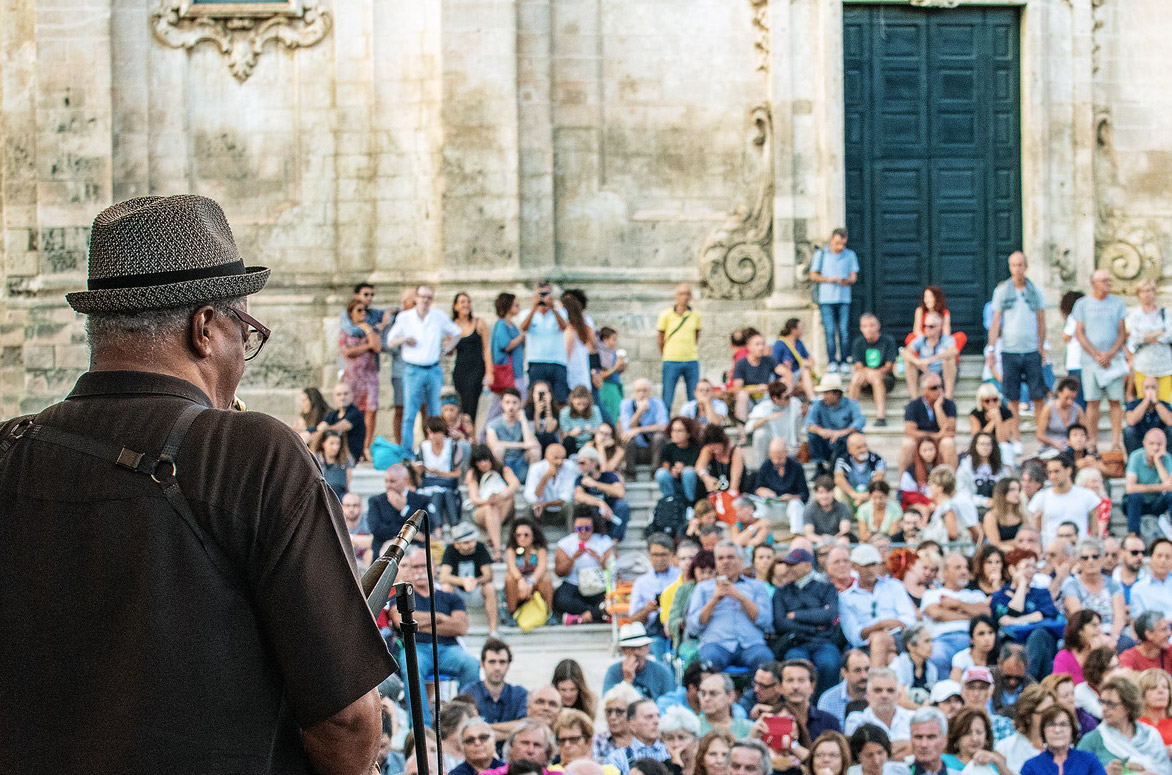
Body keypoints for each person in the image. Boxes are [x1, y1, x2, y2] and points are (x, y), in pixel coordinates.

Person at [1, 195, 394, 773]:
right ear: (206, 327)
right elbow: (345, 719)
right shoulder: (255, 454)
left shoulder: (10, 451)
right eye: (247, 332)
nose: (244, 356)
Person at [389, 547, 480, 727]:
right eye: (415, 567)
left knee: (471, 664)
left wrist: (419, 622)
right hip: (417, 648)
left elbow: (461, 627)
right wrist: (439, 618)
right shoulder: (402, 597)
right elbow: (401, 622)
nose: (420, 571)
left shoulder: (450, 598)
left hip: (448, 650)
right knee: (411, 664)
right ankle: (422, 727)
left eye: (425, 566)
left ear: (434, 567)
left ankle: (466, 722)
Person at [386, 284, 463, 454]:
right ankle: (407, 452)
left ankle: (435, 450)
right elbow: (390, 341)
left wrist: (445, 350)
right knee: (409, 413)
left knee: (435, 411)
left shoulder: (438, 316)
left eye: (428, 297)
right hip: (413, 369)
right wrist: (405, 339)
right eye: (422, 296)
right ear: (416, 298)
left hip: (433, 368)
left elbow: (457, 332)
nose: (425, 300)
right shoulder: (405, 317)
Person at [686, 540, 775, 673]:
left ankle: (752, 694)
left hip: (751, 645)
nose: (725, 562)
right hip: (716, 644)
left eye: (730, 557)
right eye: (720, 558)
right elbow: (693, 626)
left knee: (766, 663)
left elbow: (765, 621)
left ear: (740, 560)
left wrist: (739, 596)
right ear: (716, 562)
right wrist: (714, 600)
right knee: (708, 664)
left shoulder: (757, 586)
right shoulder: (703, 588)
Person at [987, 251, 1048, 430]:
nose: (1017, 269)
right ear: (1010, 267)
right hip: (1009, 350)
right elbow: (996, 321)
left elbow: (1041, 320)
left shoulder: (1036, 292)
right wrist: (991, 349)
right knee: (1012, 397)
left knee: (1038, 396)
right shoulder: (1001, 292)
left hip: (1031, 350)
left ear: (1026, 267)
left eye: (1020, 265)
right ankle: (1015, 436)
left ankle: (1040, 433)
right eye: (1014, 265)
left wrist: (1041, 347)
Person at [771, 550, 842, 697]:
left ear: (808, 565)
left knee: (829, 664)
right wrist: (815, 626)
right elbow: (781, 623)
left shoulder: (827, 588)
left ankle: (822, 709)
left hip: (824, 642)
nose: (789, 568)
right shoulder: (781, 592)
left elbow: (828, 616)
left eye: (794, 564)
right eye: (788, 564)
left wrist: (796, 615)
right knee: (795, 667)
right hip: (795, 643)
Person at [1073, 269, 1129, 451]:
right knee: (1093, 402)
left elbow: (1122, 333)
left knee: (1115, 400)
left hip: (1113, 360)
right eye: (1104, 280)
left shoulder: (1118, 303)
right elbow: (1079, 333)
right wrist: (1096, 354)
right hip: (1091, 361)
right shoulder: (1082, 304)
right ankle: (1093, 441)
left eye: (1109, 280)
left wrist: (1109, 354)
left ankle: (1115, 440)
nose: (1108, 283)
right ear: (1093, 283)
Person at [839, 544, 917, 665]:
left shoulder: (895, 586)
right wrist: (882, 625)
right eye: (866, 565)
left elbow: (909, 620)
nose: (871, 569)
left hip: (898, 637)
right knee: (890, 657)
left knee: (879, 639)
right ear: (855, 566)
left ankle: (876, 683)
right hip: (866, 646)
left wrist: (878, 631)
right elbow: (854, 636)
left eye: (874, 564)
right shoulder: (846, 598)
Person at [1077, 676, 1172, 775]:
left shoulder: (1150, 735)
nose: (1104, 708)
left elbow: (1166, 770)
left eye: (1111, 704)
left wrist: (1145, 770)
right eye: (1102, 702)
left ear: (1128, 706)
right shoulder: (1092, 740)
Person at [991, 549, 1061, 681]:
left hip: (1042, 643)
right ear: (1012, 570)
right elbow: (1008, 615)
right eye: (1026, 566)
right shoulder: (1000, 596)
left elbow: (1042, 615)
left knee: (1039, 635)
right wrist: (1021, 585)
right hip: (1013, 643)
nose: (1031, 571)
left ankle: (1027, 680)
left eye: (1034, 566)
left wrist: (1014, 620)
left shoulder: (1041, 593)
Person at [921, 553, 991, 678]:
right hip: (942, 640)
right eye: (958, 567)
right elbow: (937, 614)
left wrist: (957, 604)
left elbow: (986, 614)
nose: (964, 571)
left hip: (972, 640)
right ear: (945, 572)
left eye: (965, 567)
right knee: (936, 656)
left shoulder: (975, 594)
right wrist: (971, 614)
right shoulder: (932, 594)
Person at [1061, 540, 1128, 651]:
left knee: (1126, 644)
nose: (1090, 561)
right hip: (1085, 635)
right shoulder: (1071, 587)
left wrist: (1113, 638)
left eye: (1095, 556)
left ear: (1102, 558)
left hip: (1112, 634)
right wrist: (1101, 638)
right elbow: (1078, 619)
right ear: (1079, 561)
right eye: (1085, 558)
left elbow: (1120, 618)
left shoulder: (1114, 585)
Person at [553, 506, 616, 623]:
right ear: (574, 528)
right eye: (579, 528)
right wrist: (572, 559)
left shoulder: (604, 541)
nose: (583, 532)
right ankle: (594, 614)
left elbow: (613, 567)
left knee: (612, 598)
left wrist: (599, 559)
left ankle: (582, 618)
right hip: (574, 584)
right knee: (561, 598)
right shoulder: (565, 543)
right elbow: (560, 572)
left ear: (593, 528)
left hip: (598, 584)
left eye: (587, 528)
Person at [339, 297, 384, 459]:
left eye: (364, 310)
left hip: (370, 376)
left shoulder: (370, 329)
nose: (362, 313)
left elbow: (377, 346)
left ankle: (366, 446)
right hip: (353, 377)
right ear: (351, 313)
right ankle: (352, 447)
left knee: (371, 411)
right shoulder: (346, 331)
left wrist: (368, 330)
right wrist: (366, 346)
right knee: (353, 411)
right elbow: (347, 351)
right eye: (359, 310)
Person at [808, 227, 859, 372]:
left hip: (844, 298)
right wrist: (829, 279)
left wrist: (846, 280)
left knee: (844, 330)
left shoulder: (850, 255)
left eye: (843, 244)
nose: (840, 247)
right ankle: (832, 361)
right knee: (830, 331)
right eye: (837, 243)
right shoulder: (821, 254)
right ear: (831, 240)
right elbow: (813, 276)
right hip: (826, 299)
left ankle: (844, 360)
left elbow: (853, 277)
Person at [627, 535, 683, 659]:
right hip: (655, 632)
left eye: (663, 555)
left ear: (672, 555)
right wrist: (647, 610)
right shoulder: (641, 582)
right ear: (649, 555)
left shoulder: (681, 577)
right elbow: (632, 619)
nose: (659, 559)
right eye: (655, 555)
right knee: (657, 645)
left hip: (678, 627)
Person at [461, 639, 529, 738]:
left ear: (508, 665)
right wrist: (511, 732)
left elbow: (524, 726)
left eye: (502, 662)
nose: (497, 667)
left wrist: (484, 727)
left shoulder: (520, 693)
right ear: (482, 664)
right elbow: (465, 730)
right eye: (492, 662)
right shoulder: (469, 692)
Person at [440, 522, 499, 635]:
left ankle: (493, 630)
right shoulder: (450, 550)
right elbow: (443, 576)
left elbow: (488, 575)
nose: (472, 545)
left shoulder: (480, 547)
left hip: (477, 589)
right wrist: (463, 581)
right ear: (457, 544)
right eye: (467, 542)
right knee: (446, 587)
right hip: (458, 591)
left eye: (473, 541)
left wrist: (475, 581)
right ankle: (449, 629)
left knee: (490, 587)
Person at [1028, 456, 1101, 545]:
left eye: (1056, 471)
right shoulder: (1041, 497)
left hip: (1079, 550)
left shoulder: (1087, 495)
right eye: (1050, 472)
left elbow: (1095, 530)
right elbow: (1036, 529)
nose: (1053, 476)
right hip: (1051, 551)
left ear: (1068, 470)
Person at [465, 443, 521, 561]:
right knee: (490, 508)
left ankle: (493, 537)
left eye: (485, 459)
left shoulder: (503, 469)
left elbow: (515, 484)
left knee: (508, 497)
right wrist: (488, 501)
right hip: (482, 511)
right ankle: (497, 550)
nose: (483, 463)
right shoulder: (473, 474)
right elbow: (474, 498)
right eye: (479, 461)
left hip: (502, 509)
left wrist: (500, 496)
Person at [367, 463, 434, 556]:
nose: (388, 485)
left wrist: (404, 509)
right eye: (386, 481)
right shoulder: (376, 501)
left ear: (405, 481)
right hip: (383, 554)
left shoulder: (421, 500)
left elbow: (428, 526)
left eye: (392, 481)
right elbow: (376, 529)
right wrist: (410, 534)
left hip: (414, 554)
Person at [520, 282, 570, 405]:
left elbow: (564, 327)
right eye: (540, 294)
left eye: (546, 294)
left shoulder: (560, 312)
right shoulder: (527, 313)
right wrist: (534, 308)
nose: (543, 297)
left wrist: (552, 308)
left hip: (557, 361)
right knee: (537, 399)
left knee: (560, 398)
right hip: (536, 361)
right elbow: (523, 328)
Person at [844, 669, 913, 758]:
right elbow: (858, 757)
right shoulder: (856, 720)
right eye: (878, 690)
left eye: (890, 690)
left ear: (899, 696)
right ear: (867, 695)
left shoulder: (912, 718)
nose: (884, 695)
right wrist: (907, 746)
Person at [1023, 705, 1108, 775]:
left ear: (1072, 731)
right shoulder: (1031, 766)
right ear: (1043, 731)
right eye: (1051, 724)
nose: (1057, 730)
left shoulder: (1089, 761)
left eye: (1063, 724)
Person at [900, 373, 959, 472]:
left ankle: (951, 483)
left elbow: (950, 431)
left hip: (940, 441)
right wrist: (936, 435)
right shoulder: (913, 405)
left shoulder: (949, 404)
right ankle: (903, 485)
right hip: (921, 440)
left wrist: (938, 408)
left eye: (941, 386)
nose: (939, 390)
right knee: (907, 443)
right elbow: (910, 432)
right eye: (934, 388)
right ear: (924, 390)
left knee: (948, 443)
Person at [847, 313, 898, 427]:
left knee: (874, 376)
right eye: (865, 326)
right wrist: (868, 373)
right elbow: (858, 365)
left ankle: (881, 415)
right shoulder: (858, 342)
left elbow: (889, 366)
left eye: (871, 325)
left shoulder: (888, 340)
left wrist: (873, 373)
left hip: (885, 379)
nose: (868, 329)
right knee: (856, 376)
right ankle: (851, 414)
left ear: (878, 326)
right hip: (864, 379)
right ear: (861, 328)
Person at [805, 374, 866, 468]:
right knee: (812, 434)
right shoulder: (818, 405)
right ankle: (819, 465)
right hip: (827, 439)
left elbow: (859, 422)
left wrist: (840, 433)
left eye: (826, 393)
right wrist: (821, 431)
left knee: (855, 436)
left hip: (845, 440)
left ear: (837, 393)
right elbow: (809, 423)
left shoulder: (851, 404)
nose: (824, 396)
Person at [659, 283, 703, 410]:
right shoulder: (666, 314)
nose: (684, 297)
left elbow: (696, 335)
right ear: (676, 296)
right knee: (667, 397)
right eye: (682, 294)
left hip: (691, 359)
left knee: (694, 397)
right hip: (671, 360)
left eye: (687, 294)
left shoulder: (696, 315)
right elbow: (661, 337)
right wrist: (666, 352)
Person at [450, 292, 493, 423]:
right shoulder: (452, 325)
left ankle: (472, 432)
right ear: (455, 306)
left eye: (468, 302)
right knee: (461, 403)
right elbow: (450, 351)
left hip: (476, 369)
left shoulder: (479, 323)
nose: (466, 305)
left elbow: (487, 349)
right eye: (462, 302)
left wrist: (489, 372)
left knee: (472, 401)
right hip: (460, 370)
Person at [669, 550, 718, 663]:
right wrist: (680, 623)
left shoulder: (721, 591)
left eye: (710, 572)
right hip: (691, 640)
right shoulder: (684, 590)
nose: (706, 576)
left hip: (716, 639)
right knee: (694, 656)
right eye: (702, 571)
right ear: (694, 570)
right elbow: (673, 619)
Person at [994, 684, 1055, 772]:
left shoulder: (1063, 747)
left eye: (1054, 712)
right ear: (1027, 716)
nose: (1051, 717)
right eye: (1045, 713)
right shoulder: (1005, 748)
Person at [1129, 278, 1172, 402]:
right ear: (1138, 294)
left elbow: (1169, 335)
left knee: (1165, 402)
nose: (1147, 294)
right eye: (1143, 291)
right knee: (1145, 402)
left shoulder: (1166, 313)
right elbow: (1135, 338)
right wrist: (1158, 333)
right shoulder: (1135, 315)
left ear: (1155, 292)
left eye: (1150, 290)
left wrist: (1146, 336)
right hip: (1143, 365)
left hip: (1165, 365)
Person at [486, 387, 541, 483]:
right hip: (503, 465)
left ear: (520, 403)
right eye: (507, 402)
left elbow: (532, 444)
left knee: (535, 451)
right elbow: (493, 444)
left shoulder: (525, 423)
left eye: (514, 402)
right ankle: (498, 483)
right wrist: (522, 445)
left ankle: (532, 485)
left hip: (521, 464)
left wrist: (523, 421)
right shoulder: (493, 424)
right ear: (501, 404)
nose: (511, 406)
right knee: (498, 450)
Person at [756, 438, 810, 534]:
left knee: (796, 505)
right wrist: (763, 491)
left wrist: (791, 497)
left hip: (789, 506)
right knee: (759, 506)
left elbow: (805, 494)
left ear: (786, 453)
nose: (776, 461)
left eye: (779, 457)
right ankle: (760, 535)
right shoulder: (766, 466)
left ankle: (797, 534)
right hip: (772, 505)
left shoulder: (796, 467)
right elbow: (757, 488)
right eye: (773, 457)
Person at [575, 445, 630, 540]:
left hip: (611, 511)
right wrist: (600, 503)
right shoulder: (580, 479)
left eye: (583, 463)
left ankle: (614, 542)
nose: (580, 466)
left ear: (594, 462)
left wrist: (595, 484)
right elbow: (578, 495)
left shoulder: (609, 476)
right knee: (586, 508)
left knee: (622, 506)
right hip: (594, 512)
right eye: (579, 463)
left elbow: (620, 492)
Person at [1125, 428, 1172, 536]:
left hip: (1156, 502)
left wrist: (1157, 461)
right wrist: (1161, 487)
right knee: (1135, 496)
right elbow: (1130, 488)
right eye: (1152, 444)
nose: (1155, 447)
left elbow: (1170, 486)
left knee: (1171, 496)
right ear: (1144, 443)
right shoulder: (1135, 457)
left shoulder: (1167, 459)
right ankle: (1133, 535)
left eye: (1159, 444)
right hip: (1137, 503)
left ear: (1164, 445)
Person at [503, 517, 554, 616]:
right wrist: (520, 580)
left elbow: (542, 567)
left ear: (533, 535)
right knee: (509, 579)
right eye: (518, 535)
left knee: (547, 579)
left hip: (534, 584)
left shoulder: (539, 548)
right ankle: (511, 612)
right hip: (519, 586)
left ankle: (549, 612)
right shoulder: (511, 549)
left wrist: (531, 581)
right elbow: (511, 567)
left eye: (526, 535)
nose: (522, 538)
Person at [903, 312, 959, 401]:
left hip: (942, 373)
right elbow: (905, 352)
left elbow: (953, 351)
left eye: (931, 326)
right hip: (925, 373)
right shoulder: (921, 339)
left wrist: (932, 359)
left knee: (949, 360)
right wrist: (917, 361)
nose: (927, 329)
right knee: (909, 363)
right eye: (925, 326)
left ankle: (948, 398)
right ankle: (914, 400)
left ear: (939, 327)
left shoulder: (946, 339)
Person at [621, 378, 670, 481]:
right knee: (627, 438)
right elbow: (627, 430)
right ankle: (630, 474)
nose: (641, 394)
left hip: (653, 450)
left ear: (650, 392)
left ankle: (655, 474)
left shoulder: (657, 403)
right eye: (638, 391)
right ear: (634, 392)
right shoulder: (626, 404)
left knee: (659, 437)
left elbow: (663, 426)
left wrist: (639, 430)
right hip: (634, 450)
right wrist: (640, 411)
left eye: (645, 390)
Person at [733, 332, 788, 421]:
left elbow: (784, 372)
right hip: (750, 400)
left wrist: (785, 378)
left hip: (766, 398)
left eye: (763, 344)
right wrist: (756, 388)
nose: (761, 348)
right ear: (749, 346)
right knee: (742, 396)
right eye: (757, 344)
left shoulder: (768, 360)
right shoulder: (741, 364)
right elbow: (737, 389)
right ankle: (743, 433)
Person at [747, 380, 804, 465]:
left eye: (789, 396)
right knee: (760, 434)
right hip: (771, 445)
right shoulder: (763, 407)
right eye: (786, 397)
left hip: (791, 445)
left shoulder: (795, 403)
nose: (789, 399)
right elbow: (748, 428)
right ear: (775, 399)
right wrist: (767, 418)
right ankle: (760, 467)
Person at [609, 700, 673, 775]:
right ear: (632, 725)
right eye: (649, 717)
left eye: (658, 716)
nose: (656, 721)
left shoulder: (672, 753)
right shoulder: (617, 759)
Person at [943, 707, 1009, 774]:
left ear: (987, 736)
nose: (974, 738)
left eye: (979, 732)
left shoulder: (994, 765)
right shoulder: (943, 762)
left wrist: (998, 762)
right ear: (957, 736)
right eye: (968, 733)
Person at [834, 433, 887, 513]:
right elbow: (838, 478)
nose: (863, 450)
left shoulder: (877, 459)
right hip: (851, 493)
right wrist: (854, 495)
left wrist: (866, 495)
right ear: (849, 449)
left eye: (864, 446)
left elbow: (879, 478)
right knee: (838, 492)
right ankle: (845, 517)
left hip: (870, 494)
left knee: (880, 492)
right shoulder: (842, 460)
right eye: (858, 448)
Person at [525, 443, 579, 520]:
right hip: (541, 511)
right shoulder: (536, 468)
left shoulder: (570, 466)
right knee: (530, 508)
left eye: (563, 458)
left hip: (561, 510)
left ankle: (571, 532)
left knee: (570, 506)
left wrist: (545, 504)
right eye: (556, 458)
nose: (560, 462)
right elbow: (532, 497)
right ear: (546, 457)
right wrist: (545, 477)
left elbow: (567, 497)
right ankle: (533, 531)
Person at [818, 651, 871, 727]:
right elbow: (826, 734)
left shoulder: (879, 693)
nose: (864, 676)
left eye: (867, 669)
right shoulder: (828, 700)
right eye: (857, 670)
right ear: (844, 673)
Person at [318, 381, 367, 465]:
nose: (342, 397)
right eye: (339, 394)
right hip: (334, 456)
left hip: (350, 457)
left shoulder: (356, 413)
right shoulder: (333, 414)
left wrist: (322, 430)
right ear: (334, 398)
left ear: (352, 395)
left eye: (345, 394)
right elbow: (319, 428)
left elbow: (338, 428)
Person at [957, 433, 1007, 512]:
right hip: (973, 508)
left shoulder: (1000, 467)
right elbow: (962, 492)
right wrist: (984, 501)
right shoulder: (966, 466)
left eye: (988, 444)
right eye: (982, 444)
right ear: (975, 446)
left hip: (997, 508)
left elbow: (1006, 487)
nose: (985, 447)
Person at [969, 383, 1017, 465]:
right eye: (987, 400)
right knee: (980, 448)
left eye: (994, 399)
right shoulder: (975, 414)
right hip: (983, 443)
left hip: (999, 444)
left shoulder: (1006, 413)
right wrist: (992, 422)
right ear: (981, 401)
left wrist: (998, 419)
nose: (991, 403)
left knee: (1005, 448)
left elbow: (1003, 439)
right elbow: (978, 437)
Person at [1036, 377, 1088, 452]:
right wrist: (1054, 443)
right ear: (1059, 393)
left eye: (1073, 398)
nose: (1069, 402)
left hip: (1071, 447)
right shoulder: (1049, 408)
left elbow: (1084, 432)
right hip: (1051, 447)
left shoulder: (1077, 409)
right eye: (1066, 398)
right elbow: (1039, 435)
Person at [658, 417, 703, 503]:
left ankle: (691, 503)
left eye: (679, 431)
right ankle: (670, 501)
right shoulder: (668, 448)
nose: (675, 434)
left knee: (688, 472)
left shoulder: (697, 448)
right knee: (661, 473)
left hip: (693, 485)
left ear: (688, 433)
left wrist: (684, 469)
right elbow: (665, 468)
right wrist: (672, 471)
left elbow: (700, 468)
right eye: (673, 430)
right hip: (675, 484)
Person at [491, 292, 526, 396]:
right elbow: (505, 345)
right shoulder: (502, 324)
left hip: (516, 371)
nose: (518, 307)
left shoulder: (512, 325)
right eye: (515, 305)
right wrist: (521, 337)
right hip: (507, 371)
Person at [596, 684, 644, 762]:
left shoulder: (643, 740)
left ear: (632, 714)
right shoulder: (598, 741)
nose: (612, 717)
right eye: (609, 711)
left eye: (619, 711)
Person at [697, 674, 754, 738]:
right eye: (703, 694)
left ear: (730, 696)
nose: (706, 698)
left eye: (713, 693)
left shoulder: (748, 729)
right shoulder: (691, 726)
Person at [1126, 376, 1172, 455]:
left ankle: (1169, 460)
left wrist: (1156, 402)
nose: (1150, 391)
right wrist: (1146, 401)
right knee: (1128, 430)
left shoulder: (1164, 404)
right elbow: (1131, 421)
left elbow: (1170, 421)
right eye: (1147, 388)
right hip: (1140, 440)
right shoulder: (1134, 404)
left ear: (1157, 390)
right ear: (1142, 390)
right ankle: (1133, 459)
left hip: (1160, 440)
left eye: (1153, 387)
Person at [773, 318, 817, 400]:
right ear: (793, 330)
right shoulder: (780, 343)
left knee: (805, 374)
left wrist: (807, 363)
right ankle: (812, 398)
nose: (803, 330)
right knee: (805, 374)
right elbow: (775, 364)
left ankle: (811, 400)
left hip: (798, 375)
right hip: (786, 376)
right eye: (801, 328)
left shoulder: (799, 343)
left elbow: (810, 359)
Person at [697, 425, 747, 496]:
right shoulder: (708, 450)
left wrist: (729, 496)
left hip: (735, 488)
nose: (715, 451)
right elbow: (699, 467)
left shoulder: (735, 451)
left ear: (723, 442)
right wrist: (706, 477)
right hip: (717, 490)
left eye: (717, 447)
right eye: (712, 449)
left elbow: (735, 480)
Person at [1132, 539, 1172, 621]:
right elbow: (1139, 624)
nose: (1163, 560)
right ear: (1151, 558)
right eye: (1159, 556)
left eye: (1168, 557)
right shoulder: (1138, 589)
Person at [559, 385, 604, 456]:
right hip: (574, 443)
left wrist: (591, 431)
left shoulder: (595, 410)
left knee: (599, 437)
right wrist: (572, 433)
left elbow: (600, 429)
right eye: (578, 404)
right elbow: (564, 434)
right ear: (572, 401)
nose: (581, 407)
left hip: (590, 442)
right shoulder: (564, 412)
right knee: (568, 440)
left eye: (584, 404)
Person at [1137, 668, 1172, 747]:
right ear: (1142, 694)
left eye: (1165, 687)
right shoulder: (1136, 725)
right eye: (1153, 687)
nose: (1161, 691)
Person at [1116, 533, 1150, 605]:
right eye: (1134, 552)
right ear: (1121, 553)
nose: (1140, 557)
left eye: (1143, 552)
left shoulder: (1150, 581)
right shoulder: (1110, 580)